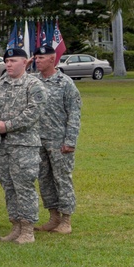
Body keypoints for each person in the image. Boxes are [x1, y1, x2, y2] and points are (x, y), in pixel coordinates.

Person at [0, 47, 47, 244]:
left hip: (24, 144)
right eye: (7, 61)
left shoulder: (34, 85)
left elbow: (33, 112)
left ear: (25, 62)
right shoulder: (0, 82)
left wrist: (8, 126)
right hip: (3, 145)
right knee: (8, 184)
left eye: (13, 61)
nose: (9, 64)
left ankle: (28, 230)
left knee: (24, 186)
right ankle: (15, 226)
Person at [33, 44, 82, 234]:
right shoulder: (33, 81)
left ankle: (66, 220)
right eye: (35, 58)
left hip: (59, 141)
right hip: (37, 140)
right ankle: (53, 217)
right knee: (44, 179)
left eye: (41, 58)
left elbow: (74, 113)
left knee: (62, 179)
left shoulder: (65, 82)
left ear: (52, 59)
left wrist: (70, 141)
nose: (37, 61)